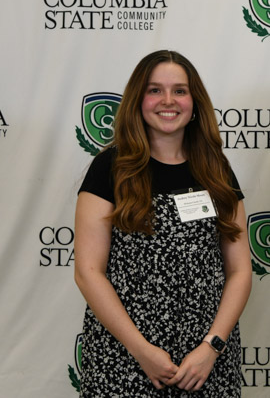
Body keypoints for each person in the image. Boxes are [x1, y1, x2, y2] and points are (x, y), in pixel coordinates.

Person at [74, 50, 252, 397]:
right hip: (124, 356)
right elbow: (87, 271)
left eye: (179, 91)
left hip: (204, 363)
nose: (168, 101)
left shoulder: (216, 169)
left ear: (194, 101)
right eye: (155, 90)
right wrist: (142, 351)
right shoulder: (109, 168)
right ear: (137, 100)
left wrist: (211, 347)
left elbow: (240, 271)